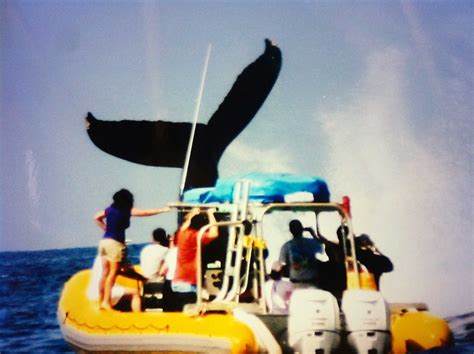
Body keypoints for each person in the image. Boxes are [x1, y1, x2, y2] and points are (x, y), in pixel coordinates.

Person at [94, 189, 169, 311]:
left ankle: (102, 301)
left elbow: (96, 217)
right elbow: (145, 212)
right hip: (115, 243)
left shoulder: (109, 210)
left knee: (105, 273)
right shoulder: (125, 210)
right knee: (112, 274)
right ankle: (107, 302)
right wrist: (162, 210)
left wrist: (106, 228)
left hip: (104, 242)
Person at [172, 208, 219, 310]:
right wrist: (210, 214)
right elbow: (214, 233)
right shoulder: (194, 236)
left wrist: (194, 211)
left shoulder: (182, 233)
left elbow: (186, 223)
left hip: (178, 281)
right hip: (188, 283)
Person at [278, 219, 327, 289]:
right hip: (305, 283)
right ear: (302, 229)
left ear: (290, 231)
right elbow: (324, 244)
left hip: (305, 283)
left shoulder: (286, 246)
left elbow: (281, 265)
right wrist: (313, 234)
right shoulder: (312, 242)